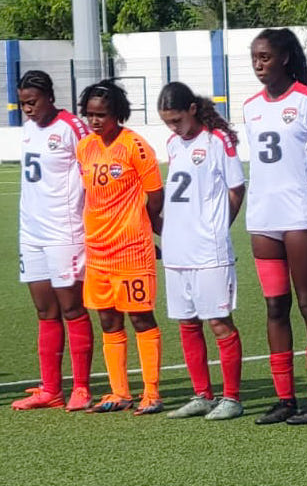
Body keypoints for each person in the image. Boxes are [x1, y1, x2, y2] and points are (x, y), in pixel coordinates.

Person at [242, 28, 307, 425]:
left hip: (300, 213)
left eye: (264, 56)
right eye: (254, 57)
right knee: (274, 306)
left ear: (283, 58)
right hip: (263, 218)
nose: (258, 64)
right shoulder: (249, 106)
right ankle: (285, 398)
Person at [157, 82, 246, 421]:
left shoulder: (217, 141)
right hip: (177, 248)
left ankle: (232, 398)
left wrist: (220, 226)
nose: (173, 127)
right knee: (187, 323)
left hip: (208, 250)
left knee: (219, 322)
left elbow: (236, 189)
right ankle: (201, 395)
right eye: (168, 122)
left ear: (192, 109)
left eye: (177, 120)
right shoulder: (173, 144)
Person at [75, 80, 165, 414]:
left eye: (102, 114)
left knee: (141, 318)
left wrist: (144, 224)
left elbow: (155, 194)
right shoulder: (85, 147)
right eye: (90, 114)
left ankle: (152, 393)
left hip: (130, 249)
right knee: (109, 321)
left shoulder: (135, 146)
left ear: (117, 114)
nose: (95, 121)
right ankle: (119, 392)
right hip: (97, 251)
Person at [12, 71, 95, 412]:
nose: (27, 110)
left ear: (48, 96)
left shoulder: (72, 128)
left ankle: (81, 387)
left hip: (65, 231)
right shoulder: (30, 128)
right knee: (45, 311)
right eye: (22, 104)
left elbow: (93, 172)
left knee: (72, 308)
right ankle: (50, 389)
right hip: (31, 233)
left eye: (32, 102)